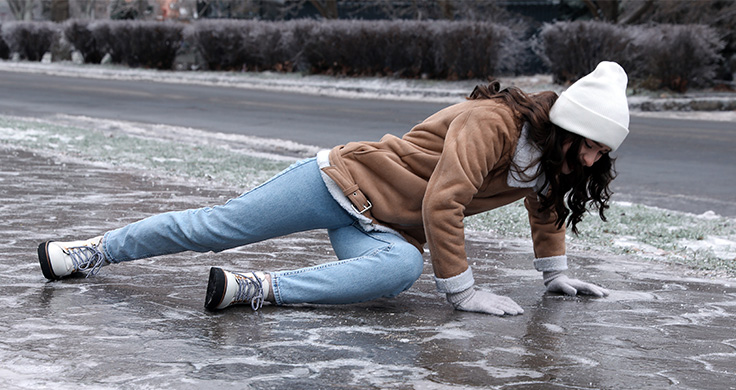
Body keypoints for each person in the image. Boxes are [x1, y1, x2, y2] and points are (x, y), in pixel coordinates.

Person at [38, 61, 630, 316]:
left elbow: (546, 205)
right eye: (592, 144)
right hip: (340, 182)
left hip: (385, 227)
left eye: (604, 150)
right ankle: (90, 251)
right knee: (215, 228)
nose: (595, 157)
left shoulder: (553, 160)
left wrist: (554, 275)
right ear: (565, 128)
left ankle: (255, 289)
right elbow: (444, 200)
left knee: (397, 273)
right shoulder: (493, 124)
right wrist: (463, 293)